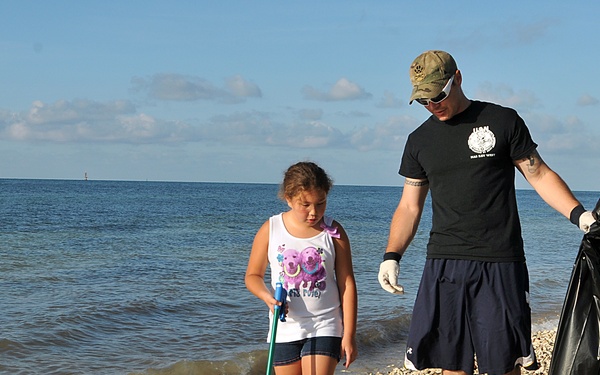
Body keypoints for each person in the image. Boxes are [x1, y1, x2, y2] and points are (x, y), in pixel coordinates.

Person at [377, 50, 596, 375]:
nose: (433, 105)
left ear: (458, 79)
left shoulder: (503, 121)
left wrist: (581, 216)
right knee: (451, 364)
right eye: (424, 100)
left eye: (438, 95)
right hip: (445, 263)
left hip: (500, 262)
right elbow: (410, 206)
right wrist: (391, 255)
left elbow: (539, 175)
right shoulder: (418, 141)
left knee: (504, 365)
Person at [246, 161, 358, 375]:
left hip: (326, 323)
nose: (313, 212)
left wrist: (349, 334)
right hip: (285, 328)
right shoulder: (271, 229)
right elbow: (253, 275)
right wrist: (267, 297)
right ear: (288, 199)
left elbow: (347, 283)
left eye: (321, 203)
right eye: (305, 205)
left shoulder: (334, 232)